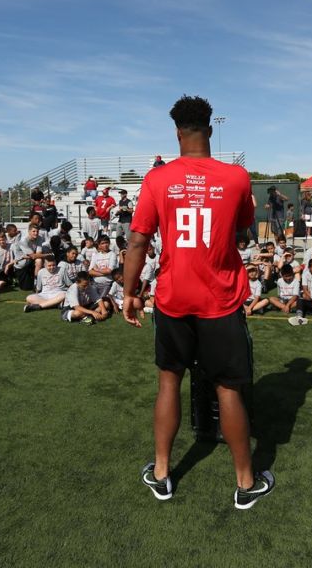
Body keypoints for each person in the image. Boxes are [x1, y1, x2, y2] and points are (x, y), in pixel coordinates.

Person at [121, 95, 274, 509]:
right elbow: (243, 229)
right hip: (220, 299)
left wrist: (129, 292)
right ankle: (245, 482)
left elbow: (138, 241)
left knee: (169, 381)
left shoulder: (157, 179)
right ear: (210, 129)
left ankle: (162, 473)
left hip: (172, 297)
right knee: (228, 390)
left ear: (177, 133)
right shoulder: (237, 177)